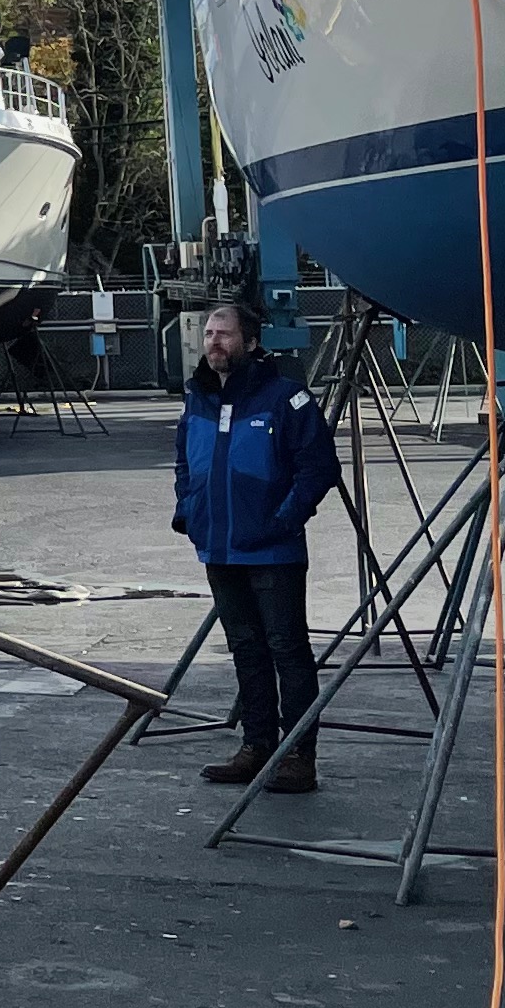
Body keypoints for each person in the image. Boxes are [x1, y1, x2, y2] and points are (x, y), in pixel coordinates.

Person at [173, 296, 343, 790]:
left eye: (224, 334)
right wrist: (190, 512)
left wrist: (283, 520)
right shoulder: (197, 398)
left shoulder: (286, 398)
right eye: (208, 334)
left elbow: (318, 469)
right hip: (219, 547)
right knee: (245, 649)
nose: (214, 342)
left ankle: (298, 756)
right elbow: (185, 461)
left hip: (272, 550)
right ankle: (257, 745)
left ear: (250, 342)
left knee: (287, 649)